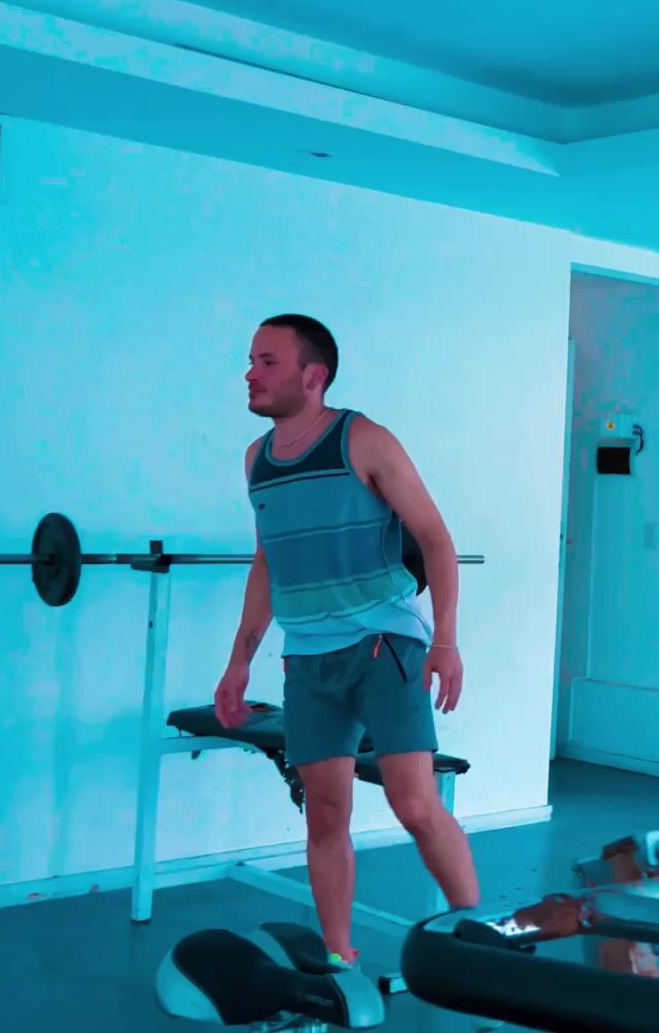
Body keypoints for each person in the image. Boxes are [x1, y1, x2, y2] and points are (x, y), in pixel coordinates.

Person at [215, 313, 479, 967]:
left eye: (268, 362)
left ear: (314, 375)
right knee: (325, 814)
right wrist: (238, 663)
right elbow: (268, 564)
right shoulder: (256, 461)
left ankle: (483, 941)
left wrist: (446, 642)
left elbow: (437, 539)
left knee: (414, 803)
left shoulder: (364, 440)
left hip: (383, 644)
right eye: (250, 360)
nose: (250, 373)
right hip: (307, 657)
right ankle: (340, 959)